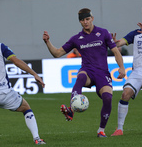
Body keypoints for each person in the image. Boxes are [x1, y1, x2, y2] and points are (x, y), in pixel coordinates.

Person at [43, 8, 125, 137]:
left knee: (108, 98)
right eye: (82, 20)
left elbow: (115, 51)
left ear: (92, 18)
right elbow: (57, 53)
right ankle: (71, 110)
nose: (85, 22)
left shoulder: (103, 33)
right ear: (80, 21)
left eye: (87, 19)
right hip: (88, 71)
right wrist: (48, 42)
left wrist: (122, 68)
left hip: (102, 73)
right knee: (80, 76)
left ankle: (101, 130)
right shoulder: (77, 38)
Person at [111, 5, 142, 136]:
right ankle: (119, 128)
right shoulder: (136, 33)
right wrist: (114, 43)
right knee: (125, 94)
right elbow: (121, 42)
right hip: (137, 72)